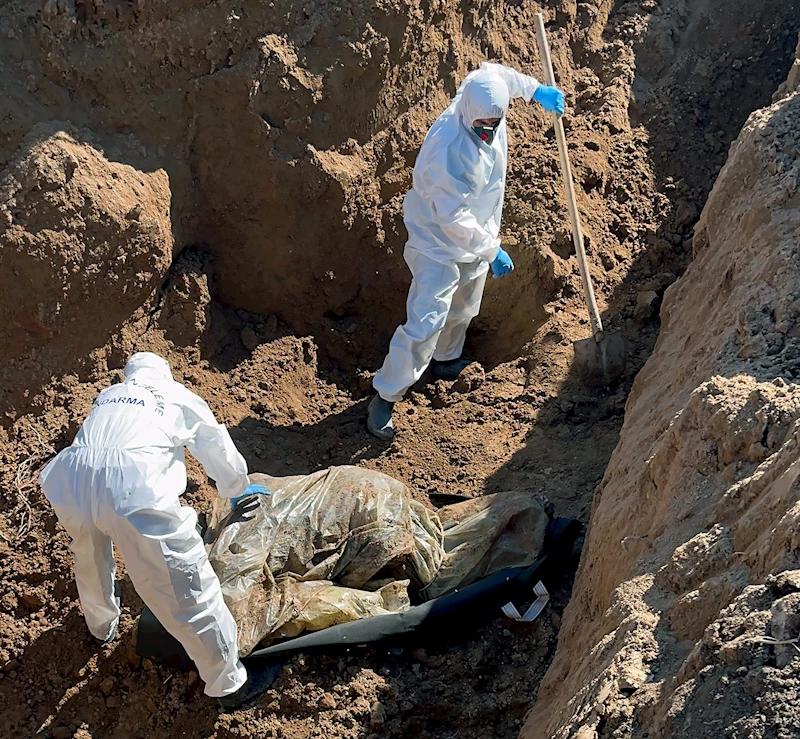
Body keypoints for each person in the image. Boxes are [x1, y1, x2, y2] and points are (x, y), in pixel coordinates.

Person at [40, 352, 272, 709]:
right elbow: (213, 444)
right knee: (187, 587)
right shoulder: (175, 395)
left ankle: (101, 626)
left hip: (71, 480)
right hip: (133, 488)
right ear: (164, 374)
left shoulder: (107, 396)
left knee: (88, 555)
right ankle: (229, 683)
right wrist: (237, 488)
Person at [367, 62, 564, 439]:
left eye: (495, 124)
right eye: (483, 127)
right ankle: (385, 396)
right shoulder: (448, 149)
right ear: (468, 115)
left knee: (465, 303)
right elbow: (453, 219)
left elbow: (498, 76)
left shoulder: (483, 95)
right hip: (437, 241)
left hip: (479, 228)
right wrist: (492, 249)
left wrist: (535, 90)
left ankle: (446, 361)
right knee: (427, 319)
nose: (489, 133)